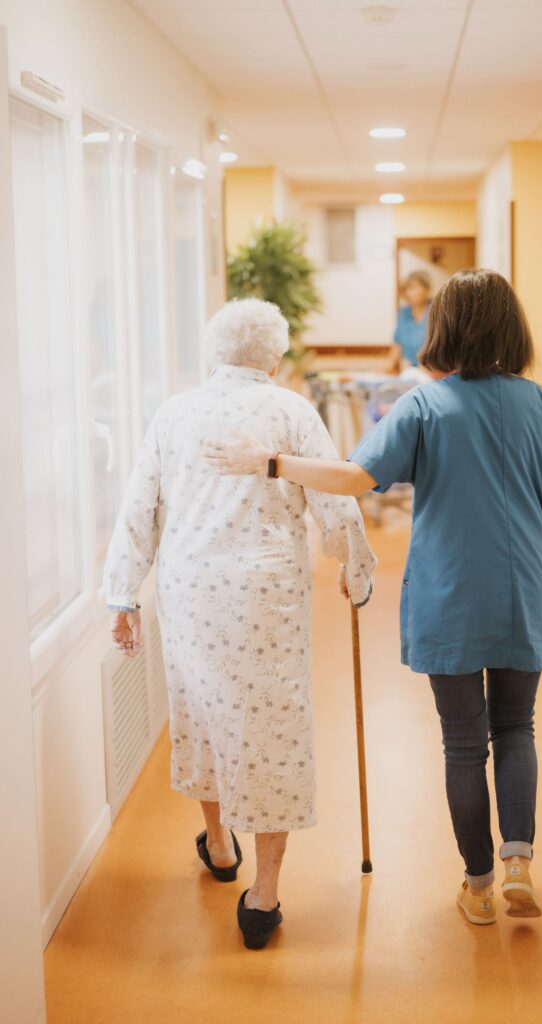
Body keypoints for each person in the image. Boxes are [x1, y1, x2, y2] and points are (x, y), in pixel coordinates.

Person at [203, 269, 542, 928]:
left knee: (464, 744)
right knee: (516, 728)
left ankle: (479, 886)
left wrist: (271, 462)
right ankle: (519, 859)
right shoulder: (540, 405)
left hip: (449, 596)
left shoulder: (425, 405)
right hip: (523, 588)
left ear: (444, 326)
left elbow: (355, 477)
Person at [104, 298, 376, 950]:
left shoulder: (174, 414)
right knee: (270, 728)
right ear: (275, 357)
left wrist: (122, 594)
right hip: (265, 596)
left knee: (203, 713)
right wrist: (355, 567)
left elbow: (140, 506)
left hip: (191, 592)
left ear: (213, 353)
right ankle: (264, 895)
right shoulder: (290, 411)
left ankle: (220, 845)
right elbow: (334, 494)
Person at [389, 269, 431, 371]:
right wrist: (389, 368)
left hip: (431, 371)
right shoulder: (403, 312)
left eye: (413, 287)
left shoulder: (436, 311)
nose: (408, 292)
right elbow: (397, 344)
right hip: (408, 370)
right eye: (406, 289)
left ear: (426, 289)